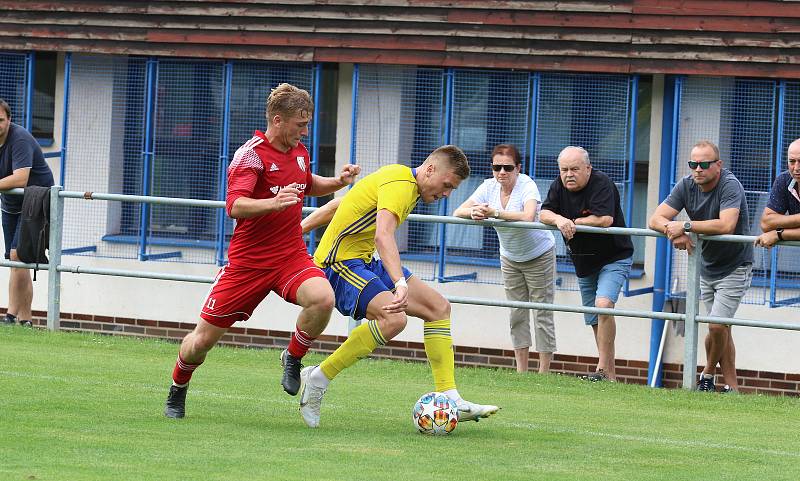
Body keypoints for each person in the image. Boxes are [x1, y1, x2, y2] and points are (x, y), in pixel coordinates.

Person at [164, 83, 361, 418]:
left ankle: (293, 357)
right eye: (300, 124)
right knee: (200, 343)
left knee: (323, 298)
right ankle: (178, 388)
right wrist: (272, 202)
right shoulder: (250, 155)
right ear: (277, 119)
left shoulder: (299, 151)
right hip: (248, 263)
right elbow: (234, 205)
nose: (305, 130)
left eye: (307, 124)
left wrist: (337, 182)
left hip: (289, 254)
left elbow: (306, 183)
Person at [296, 145, 499, 428]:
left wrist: (296, 232)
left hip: (363, 262)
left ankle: (450, 397)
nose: (447, 194)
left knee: (438, 308)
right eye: (447, 185)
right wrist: (399, 283)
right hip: (338, 265)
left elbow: (339, 204)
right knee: (394, 318)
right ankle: (318, 378)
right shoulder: (402, 184)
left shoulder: (401, 181)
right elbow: (383, 235)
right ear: (430, 169)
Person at [649, 140, 753, 393]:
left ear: (718, 165)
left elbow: (726, 225)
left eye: (704, 164)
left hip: (735, 265)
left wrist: (685, 226)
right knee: (722, 327)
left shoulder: (730, 185)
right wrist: (673, 232)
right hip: (706, 266)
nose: (698, 169)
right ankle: (733, 389)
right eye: (693, 164)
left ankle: (706, 374)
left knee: (716, 325)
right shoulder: (686, 184)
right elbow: (656, 218)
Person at [452, 144, 557, 373]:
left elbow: (529, 216)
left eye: (507, 167)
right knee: (516, 312)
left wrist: (495, 213)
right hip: (509, 257)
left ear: (518, 168)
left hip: (539, 254)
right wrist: (474, 212)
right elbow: (457, 211)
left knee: (542, 311)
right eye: (496, 167)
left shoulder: (527, 185)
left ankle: (544, 373)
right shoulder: (488, 187)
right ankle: (521, 371)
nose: (502, 172)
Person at [539, 146, 633, 382]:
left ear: (588, 169)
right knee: (594, 318)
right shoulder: (558, 185)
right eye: (564, 170)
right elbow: (544, 213)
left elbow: (604, 219)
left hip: (614, 255)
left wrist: (573, 222)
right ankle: (609, 375)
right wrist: (560, 220)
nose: (568, 174)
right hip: (583, 260)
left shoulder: (602, 183)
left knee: (603, 306)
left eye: (574, 169)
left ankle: (601, 369)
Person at [0, 99, 55, 328]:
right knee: (18, 260)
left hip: (35, 200)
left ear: (9, 120)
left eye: (0, 120)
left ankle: (10, 317)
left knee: (17, 256)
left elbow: (20, 179)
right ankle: (26, 320)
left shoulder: (19, 138)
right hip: (10, 202)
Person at [755, 138, 800, 248]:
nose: (796, 168)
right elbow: (766, 223)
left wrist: (778, 234)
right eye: (792, 161)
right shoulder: (784, 180)